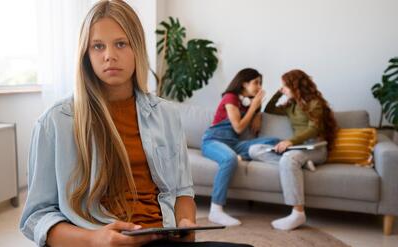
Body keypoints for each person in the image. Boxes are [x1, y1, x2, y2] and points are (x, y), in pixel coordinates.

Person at [19, 1, 252, 247]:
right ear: (85, 54)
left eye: (121, 43)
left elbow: (183, 191)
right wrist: (94, 239)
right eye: (98, 46)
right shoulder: (54, 122)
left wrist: (185, 223)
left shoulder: (167, 115)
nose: (109, 55)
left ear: (137, 48)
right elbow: (36, 217)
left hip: (161, 238)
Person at [249, 69, 338, 231]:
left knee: (289, 159)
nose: (283, 88)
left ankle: (298, 213)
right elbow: (269, 110)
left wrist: (290, 141)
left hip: (316, 147)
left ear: (295, 86)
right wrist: (278, 93)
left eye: (285, 85)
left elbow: (313, 129)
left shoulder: (315, 103)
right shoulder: (290, 106)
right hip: (297, 149)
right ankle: (303, 164)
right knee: (254, 150)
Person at [201, 68, 279, 226]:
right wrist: (253, 107)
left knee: (274, 140)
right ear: (244, 83)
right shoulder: (230, 98)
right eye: (256, 82)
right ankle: (216, 210)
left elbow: (253, 128)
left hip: (234, 144)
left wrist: (258, 112)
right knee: (229, 159)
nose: (259, 86)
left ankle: (299, 155)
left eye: (260, 83)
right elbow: (238, 127)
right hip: (213, 140)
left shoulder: (247, 103)